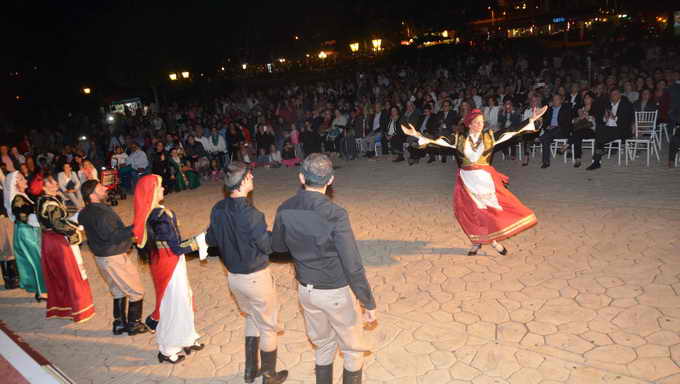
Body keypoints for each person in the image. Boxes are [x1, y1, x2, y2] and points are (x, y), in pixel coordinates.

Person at [272, 154, 377, 384]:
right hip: (335, 291)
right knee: (352, 349)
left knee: (323, 344)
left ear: (301, 177)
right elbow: (353, 264)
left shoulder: (284, 208)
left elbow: (277, 247)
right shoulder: (336, 214)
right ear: (330, 180)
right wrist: (367, 301)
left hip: (306, 292)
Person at [402, 106, 547, 256]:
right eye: (476, 122)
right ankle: (478, 242)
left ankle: (493, 241)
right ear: (469, 124)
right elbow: (438, 141)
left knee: (490, 212)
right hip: (467, 182)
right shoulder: (458, 139)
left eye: (482, 122)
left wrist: (531, 119)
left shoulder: (489, 138)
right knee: (472, 213)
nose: (480, 125)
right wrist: (416, 134)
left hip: (485, 181)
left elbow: (511, 131)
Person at [205, 162, 288, 384]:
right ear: (242, 183)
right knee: (268, 326)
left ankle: (250, 371)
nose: (252, 178)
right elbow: (268, 247)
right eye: (249, 176)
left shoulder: (218, 209)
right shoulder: (253, 215)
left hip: (233, 279)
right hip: (256, 278)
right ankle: (269, 375)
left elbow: (211, 239)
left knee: (252, 317)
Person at [132, 174, 206, 364]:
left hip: (163, 263)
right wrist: (202, 240)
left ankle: (187, 338)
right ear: (152, 192)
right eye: (160, 187)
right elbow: (177, 247)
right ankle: (167, 349)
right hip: (170, 265)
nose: (163, 189)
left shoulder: (150, 214)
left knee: (183, 299)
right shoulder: (162, 215)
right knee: (174, 304)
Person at [79, 180, 148, 336]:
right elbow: (113, 236)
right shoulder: (101, 213)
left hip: (101, 258)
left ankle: (119, 323)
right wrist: (136, 228)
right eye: (100, 187)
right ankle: (134, 324)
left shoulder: (85, 212)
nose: (105, 188)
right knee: (136, 291)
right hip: (114, 257)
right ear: (92, 194)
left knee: (118, 290)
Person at [36, 174, 95, 323]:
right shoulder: (49, 203)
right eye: (51, 185)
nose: (55, 186)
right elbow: (57, 225)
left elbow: (58, 221)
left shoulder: (48, 200)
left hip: (51, 240)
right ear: (43, 188)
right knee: (70, 273)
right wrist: (76, 227)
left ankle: (64, 306)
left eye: (55, 183)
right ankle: (78, 308)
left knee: (60, 274)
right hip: (57, 242)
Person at [4, 171, 46, 301]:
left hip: (30, 231)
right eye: (22, 179)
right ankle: (41, 292)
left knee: (35, 260)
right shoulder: (17, 199)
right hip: (26, 232)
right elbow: (23, 217)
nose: (26, 181)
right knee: (36, 261)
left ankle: (39, 288)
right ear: (16, 183)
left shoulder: (22, 195)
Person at [587, 88, 634, 170]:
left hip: (622, 130)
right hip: (610, 130)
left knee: (600, 134)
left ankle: (597, 160)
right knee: (600, 132)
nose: (613, 96)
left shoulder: (626, 105)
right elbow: (604, 120)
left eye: (615, 94)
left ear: (620, 95)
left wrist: (614, 117)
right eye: (612, 95)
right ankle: (597, 159)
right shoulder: (608, 104)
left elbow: (626, 122)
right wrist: (605, 118)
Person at [0, 169, 19, 290]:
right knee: (3, 248)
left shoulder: (3, 187)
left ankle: (14, 277)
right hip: (1, 219)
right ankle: (9, 278)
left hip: (7, 218)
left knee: (10, 247)